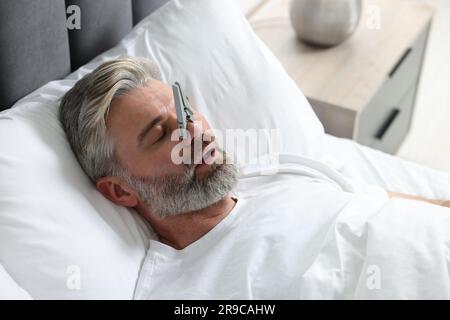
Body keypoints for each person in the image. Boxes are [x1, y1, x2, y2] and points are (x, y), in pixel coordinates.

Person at [59, 57, 450, 299]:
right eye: (161, 134)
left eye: (187, 112)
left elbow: (392, 209)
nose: (193, 133)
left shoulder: (281, 170)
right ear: (120, 190)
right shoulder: (181, 291)